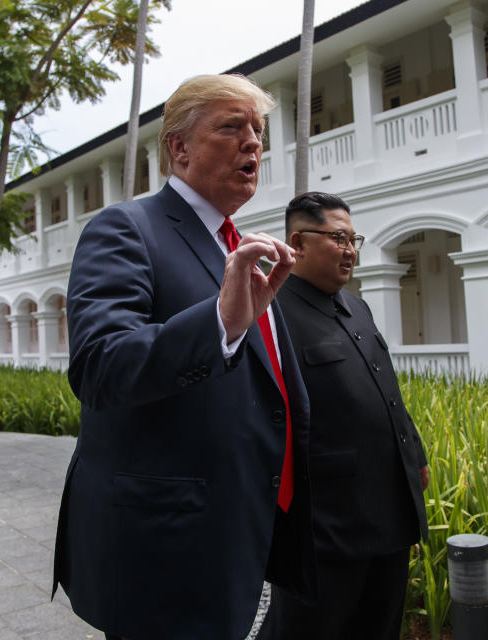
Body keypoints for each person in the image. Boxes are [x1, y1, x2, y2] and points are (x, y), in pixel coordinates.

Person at [52, 74, 317, 640]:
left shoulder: (239, 247)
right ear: (178, 147)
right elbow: (100, 366)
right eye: (231, 127)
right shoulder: (126, 229)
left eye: (258, 130)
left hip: (239, 528)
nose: (253, 143)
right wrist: (220, 321)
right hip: (166, 546)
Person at [258, 192, 429, 640]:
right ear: (297, 241)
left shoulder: (357, 307)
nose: (351, 249)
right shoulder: (271, 313)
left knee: (379, 625)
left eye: (355, 239)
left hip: (388, 512)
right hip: (325, 525)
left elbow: (387, 392)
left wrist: (415, 456)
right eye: (339, 238)